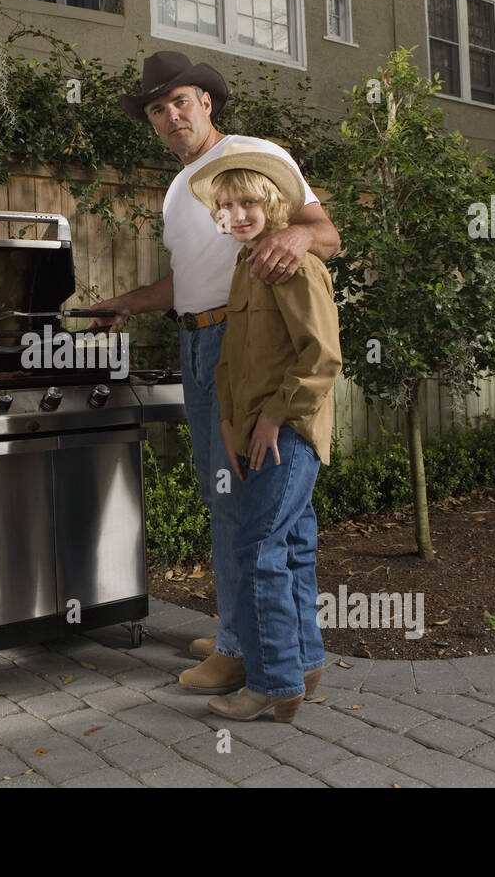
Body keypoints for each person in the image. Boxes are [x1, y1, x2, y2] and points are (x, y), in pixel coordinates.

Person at [95, 52, 340, 695]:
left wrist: (298, 240)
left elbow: (324, 233)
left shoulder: (253, 153)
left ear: (206, 100)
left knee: (242, 502)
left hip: (246, 338)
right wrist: (126, 302)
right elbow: (190, 280)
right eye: (155, 109)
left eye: (179, 100)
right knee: (255, 505)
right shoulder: (182, 188)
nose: (169, 115)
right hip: (197, 341)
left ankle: (239, 648)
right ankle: (278, 641)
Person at [189, 146, 341, 721]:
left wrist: (275, 417)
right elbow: (231, 358)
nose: (237, 213)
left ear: (274, 203)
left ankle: (273, 683)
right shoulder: (245, 264)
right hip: (251, 432)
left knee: (258, 547)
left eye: (249, 201)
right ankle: (303, 662)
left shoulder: (294, 265)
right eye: (226, 205)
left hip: (288, 433)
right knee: (294, 546)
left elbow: (322, 357)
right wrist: (230, 421)